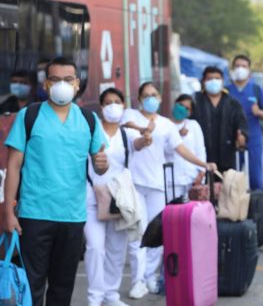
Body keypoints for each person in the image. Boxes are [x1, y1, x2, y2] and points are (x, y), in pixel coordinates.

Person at [3, 56, 109, 306]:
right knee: (31, 286)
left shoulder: (89, 120)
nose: (62, 84)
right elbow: (13, 166)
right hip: (34, 214)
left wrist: (102, 165)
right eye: (55, 79)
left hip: (72, 216)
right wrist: (8, 212)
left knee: (62, 289)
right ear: (46, 84)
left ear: (77, 83)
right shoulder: (28, 116)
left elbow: (99, 164)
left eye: (67, 79)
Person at [121, 82, 216, 299]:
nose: (150, 99)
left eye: (154, 95)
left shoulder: (166, 125)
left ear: (161, 98)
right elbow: (132, 140)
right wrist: (143, 133)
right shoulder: (131, 114)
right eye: (146, 95)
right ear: (138, 98)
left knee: (155, 233)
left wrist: (204, 164)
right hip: (134, 183)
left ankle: (151, 277)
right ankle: (138, 280)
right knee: (138, 232)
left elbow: (181, 150)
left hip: (157, 184)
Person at [85, 87, 140, 306]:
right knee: (95, 248)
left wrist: (144, 135)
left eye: (117, 101)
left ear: (124, 105)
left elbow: (141, 143)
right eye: (108, 102)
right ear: (101, 106)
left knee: (117, 249)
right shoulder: (91, 130)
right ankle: (95, 297)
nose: (113, 106)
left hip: (119, 200)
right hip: (91, 196)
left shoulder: (127, 134)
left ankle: (111, 295)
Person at [227, 55, 263, 190]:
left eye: (244, 66)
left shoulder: (256, 90)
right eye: (237, 66)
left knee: (256, 178)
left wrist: (259, 112)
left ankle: (257, 205)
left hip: (253, 139)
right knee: (231, 178)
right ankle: (233, 208)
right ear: (233, 69)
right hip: (231, 139)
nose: (240, 69)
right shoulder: (226, 91)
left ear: (249, 70)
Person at [193, 66, 249, 173]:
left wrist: (242, 135)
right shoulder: (196, 101)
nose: (214, 81)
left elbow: (242, 123)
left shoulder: (233, 103)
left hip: (227, 155)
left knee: (227, 187)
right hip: (202, 155)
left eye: (217, 78)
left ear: (222, 81)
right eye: (210, 79)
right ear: (204, 81)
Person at [167, 94, 207, 199]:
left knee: (191, 211)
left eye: (187, 108)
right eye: (180, 105)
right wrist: (177, 135)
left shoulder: (193, 125)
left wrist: (201, 172)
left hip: (192, 178)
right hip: (172, 180)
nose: (182, 109)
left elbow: (200, 150)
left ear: (190, 113)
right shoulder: (164, 124)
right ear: (174, 104)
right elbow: (162, 150)